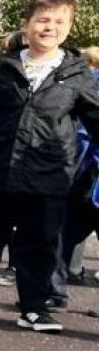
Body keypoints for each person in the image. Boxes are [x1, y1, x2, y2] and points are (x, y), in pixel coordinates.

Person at [0, 0, 99, 332]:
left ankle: (34, 307)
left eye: (60, 22)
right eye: (43, 20)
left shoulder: (76, 75)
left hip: (49, 174)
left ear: (69, 27)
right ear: (27, 25)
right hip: (0, 171)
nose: (50, 28)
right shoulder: (2, 70)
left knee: (41, 242)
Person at [53, 44, 99, 296]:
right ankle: (55, 289)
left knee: (66, 231)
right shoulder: (90, 81)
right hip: (87, 168)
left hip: (85, 168)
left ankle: (55, 291)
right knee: (67, 230)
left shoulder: (88, 81)